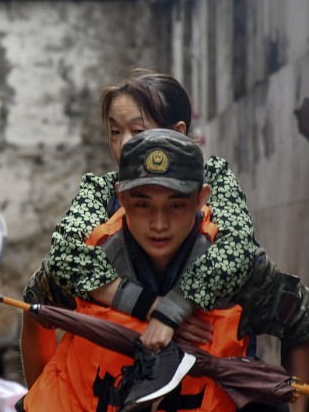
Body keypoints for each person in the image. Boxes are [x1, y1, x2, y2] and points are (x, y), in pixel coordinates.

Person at [22, 129, 274, 412]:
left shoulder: (235, 266)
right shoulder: (86, 259)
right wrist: (42, 406)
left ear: (199, 196)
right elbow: (34, 310)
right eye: (143, 204)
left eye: (176, 204)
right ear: (122, 197)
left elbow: (298, 321)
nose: (159, 223)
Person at [21, 69, 259, 386]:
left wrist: (174, 309)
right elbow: (61, 262)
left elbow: (238, 252)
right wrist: (148, 305)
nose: (123, 145)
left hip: (208, 390)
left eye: (137, 130)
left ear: (178, 132)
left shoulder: (215, 183)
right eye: (115, 132)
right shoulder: (101, 192)